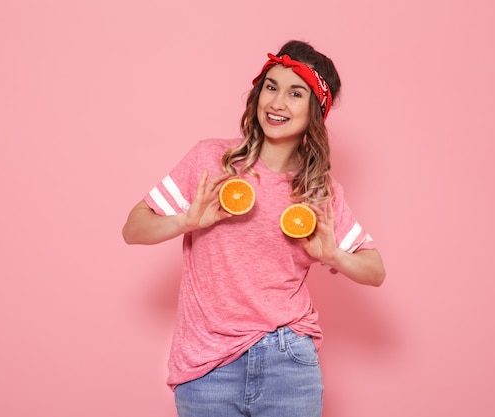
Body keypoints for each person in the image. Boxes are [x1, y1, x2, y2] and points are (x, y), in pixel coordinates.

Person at [122, 40, 385, 417]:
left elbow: (374, 270)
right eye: (271, 87)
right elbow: (133, 228)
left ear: (315, 111)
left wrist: (332, 255)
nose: (277, 103)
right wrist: (186, 221)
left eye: (295, 93)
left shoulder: (318, 190)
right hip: (207, 366)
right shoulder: (211, 160)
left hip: (289, 363)